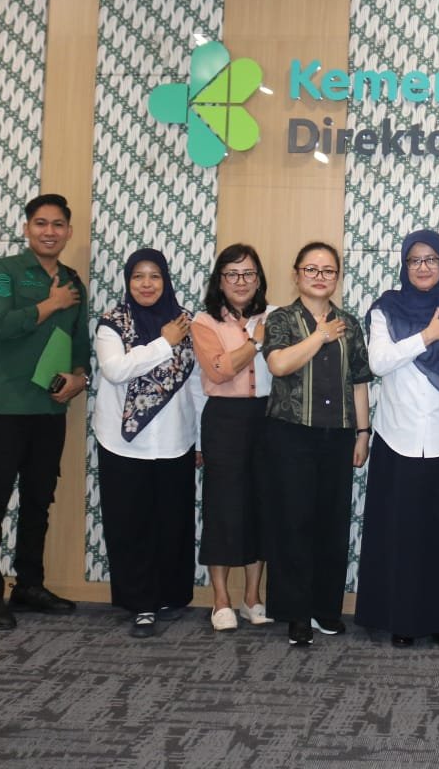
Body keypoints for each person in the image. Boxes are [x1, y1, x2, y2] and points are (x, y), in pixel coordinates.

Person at [356, 230, 439, 647]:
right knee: (401, 535)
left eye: (431, 259)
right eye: (415, 260)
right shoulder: (386, 309)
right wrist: (428, 336)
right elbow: (379, 363)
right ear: (404, 265)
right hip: (396, 437)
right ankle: (401, 620)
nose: (423, 267)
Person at [0, 193, 89, 630]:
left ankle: (29, 585)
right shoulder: (3, 272)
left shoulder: (73, 281)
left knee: (39, 500)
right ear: (27, 229)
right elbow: (0, 325)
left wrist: (79, 378)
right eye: (41, 223)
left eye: (58, 224)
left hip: (48, 409)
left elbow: (80, 342)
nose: (49, 232)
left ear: (68, 232)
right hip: (3, 406)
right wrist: (50, 304)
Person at [261, 242, 373, 647]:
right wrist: (320, 336)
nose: (320, 276)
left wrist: (363, 433)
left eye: (328, 270)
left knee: (331, 522)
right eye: (311, 269)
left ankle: (326, 608)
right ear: (296, 275)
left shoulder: (350, 324)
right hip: (290, 433)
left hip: (338, 435)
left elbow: (359, 382)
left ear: (337, 277)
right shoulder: (281, 319)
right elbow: (278, 364)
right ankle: (296, 613)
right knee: (293, 523)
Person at [91, 248, 201, 638]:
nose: (147, 284)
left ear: (165, 280)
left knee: (171, 523)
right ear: (128, 281)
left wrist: (200, 438)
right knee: (130, 524)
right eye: (138, 276)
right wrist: (163, 343)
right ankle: (140, 604)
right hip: (123, 445)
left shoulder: (184, 321)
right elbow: (115, 370)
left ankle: (168, 595)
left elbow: (197, 382)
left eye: (155, 276)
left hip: (175, 439)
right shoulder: (112, 323)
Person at [190, 244, 273, 631]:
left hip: (267, 418)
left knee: (261, 506)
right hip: (224, 419)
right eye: (232, 274)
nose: (241, 282)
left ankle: (252, 597)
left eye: (248, 274)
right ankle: (220, 599)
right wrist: (255, 342)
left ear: (259, 279)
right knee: (222, 508)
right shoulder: (204, 322)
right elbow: (219, 370)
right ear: (219, 281)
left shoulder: (274, 316)